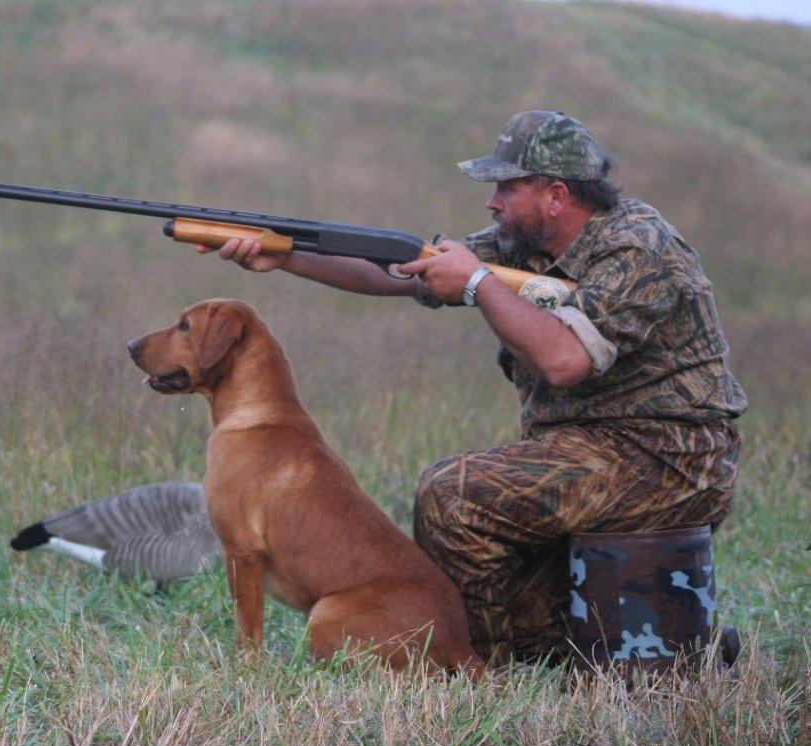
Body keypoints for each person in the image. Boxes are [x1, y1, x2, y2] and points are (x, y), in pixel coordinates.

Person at [196, 110, 748, 663]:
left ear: (556, 195)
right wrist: (285, 254)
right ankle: (680, 652)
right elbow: (395, 271)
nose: (492, 202)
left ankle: (472, 674)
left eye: (507, 187)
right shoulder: (522, 246)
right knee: (524, 620)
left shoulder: (638, 248)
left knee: (452, 493)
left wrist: (478, 283)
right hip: (588, 453)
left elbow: (565, 360)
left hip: (669, 457)